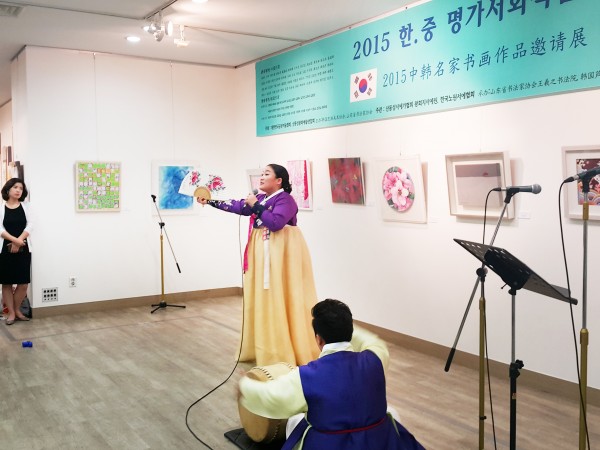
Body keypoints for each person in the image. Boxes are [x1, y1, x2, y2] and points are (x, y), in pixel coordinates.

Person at [238, 299, 425, 450]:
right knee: (391, 413)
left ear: (318, 339)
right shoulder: (376, 357)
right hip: (380, 442)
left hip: (331, 445)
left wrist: (244, 385)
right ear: (350, 331)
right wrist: (340, 322)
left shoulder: (305, 376)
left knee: (295, 420)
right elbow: (371, 340)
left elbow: (271, 397)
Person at [197, 164, 319, 366]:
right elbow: (237, 206)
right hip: (264, 252)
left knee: (280, 294)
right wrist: (210, 201)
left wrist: (255, 205)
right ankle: (265, 346)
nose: (261, 177)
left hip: (281, 254)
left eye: (266, 174)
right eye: (261, 174)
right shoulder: (261, 198)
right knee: (264, 296)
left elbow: (276, 223)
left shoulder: (285, 200)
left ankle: (282, 349)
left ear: (279, 180)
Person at [0, 178, 32, 326]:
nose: (18, 190)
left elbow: (31, 225)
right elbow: (0, 229)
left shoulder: (26, 207)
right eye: (15, 187)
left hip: (24, 247)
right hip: (4, 249)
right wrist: (14, 240)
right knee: (6, 283)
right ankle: (12, 313)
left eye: (21, 188)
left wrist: (19, 241)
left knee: (23, 283)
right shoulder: (1, 208)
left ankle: (17, 309)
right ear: (8, 189)